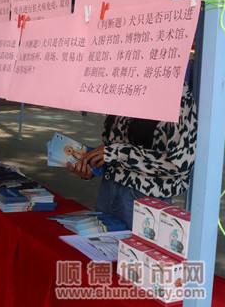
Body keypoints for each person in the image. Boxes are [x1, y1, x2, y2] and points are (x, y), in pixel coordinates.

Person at [68, 83, 197, 229]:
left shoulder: (175, 91)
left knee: (136, 250)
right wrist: (90, 166)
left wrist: (116, 153)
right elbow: (111, 146)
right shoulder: (125, 83)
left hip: (144, 198)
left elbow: (180, 162)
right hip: (109, 190)